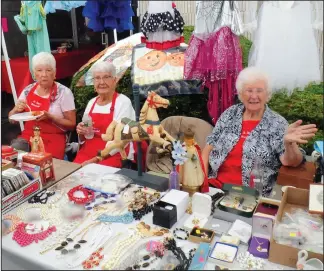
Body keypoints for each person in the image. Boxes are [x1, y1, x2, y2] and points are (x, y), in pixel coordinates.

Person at [202, 67, 318, 196]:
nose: (254, 96)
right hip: (216, 187)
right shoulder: (230, 114)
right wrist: (202, 182)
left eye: (259, 91)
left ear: (267, 94)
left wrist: (289, 144)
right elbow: (208, 147)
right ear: (241, 93)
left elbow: (290, 161)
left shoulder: (277, 123)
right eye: (249, 90)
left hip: (253, 194)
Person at [74, 61, 146, 168]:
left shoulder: (123, 102)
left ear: (115, 80)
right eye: (97, 78)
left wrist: (95, 160)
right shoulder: (91, 103)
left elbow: (122, 140)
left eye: (106, 77)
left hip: (113, 153)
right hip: (88, 151)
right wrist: (80, 132)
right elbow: (85, 136)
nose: (101, 82)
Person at [9, 52, 76, 159]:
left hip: (53, 138)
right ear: (34, 74)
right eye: (39, 70)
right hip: (28, 137)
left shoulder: (64, 92)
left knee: (46, 165)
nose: (44, 74)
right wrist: (15, 111)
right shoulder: (28, 90)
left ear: (54, 73)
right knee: (13, 156)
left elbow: (72, 125)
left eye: (48, 70)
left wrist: (51, 117)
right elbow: (11, 119)